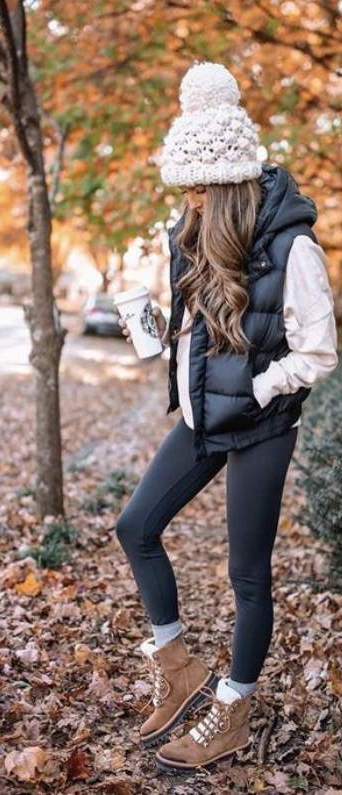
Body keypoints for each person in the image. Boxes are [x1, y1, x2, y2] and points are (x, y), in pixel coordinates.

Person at [114, 62, 337, 773]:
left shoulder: (292, 246)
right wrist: (154, 331)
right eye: (184, 190)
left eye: (199, 190)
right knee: (136, 525)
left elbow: (320, 350)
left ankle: (233, 707)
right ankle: (178, 666)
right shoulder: (192, 238)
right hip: (204, 416)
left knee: (247, 572)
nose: (190, 202)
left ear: (232, 185)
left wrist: (266, 389)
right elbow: (200, 339)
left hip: (264, 423)